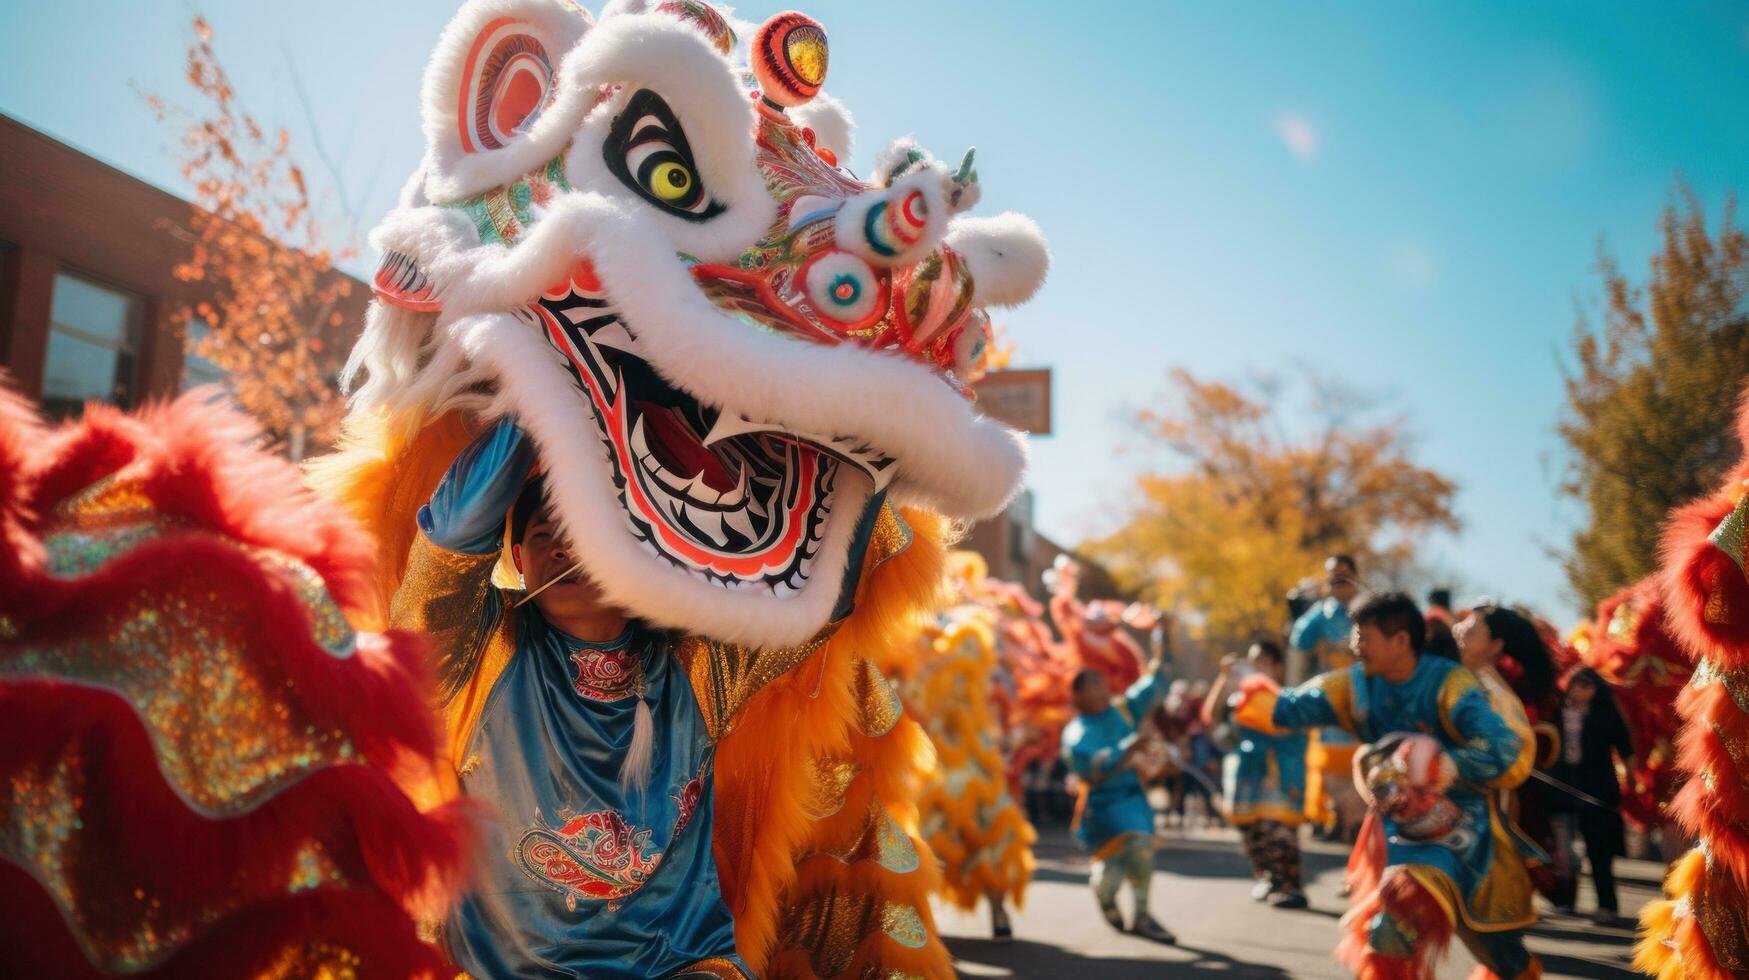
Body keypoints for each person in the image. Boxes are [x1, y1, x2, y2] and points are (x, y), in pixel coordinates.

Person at [392, 421, 832, 978]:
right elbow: (451, 537)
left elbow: (818, 594)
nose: (561, 547)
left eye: (584, 530)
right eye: (544, 533)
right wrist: (544, 394)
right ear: (520, 562)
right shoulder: (476, 652)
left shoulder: (697, 662)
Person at [1237, 592, 1541, 979]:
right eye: (1355, 636)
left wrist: (1444, 764)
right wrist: (1248, 694)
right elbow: (1293, 706)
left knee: (1502, 957)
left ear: (1401, 641)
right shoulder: (1356, 686)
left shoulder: (1450, 683)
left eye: (1365, 637)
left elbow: (1505, 747)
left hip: (1469, 838)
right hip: (1402, 839)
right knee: (1388, 931)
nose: (1355, 646)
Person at [1061, 647, 1178, 945]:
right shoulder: (1076, 731)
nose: (1103, 688)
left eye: (1101, 682)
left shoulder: (1122, 709)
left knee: (1140, 845)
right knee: (1109, 873)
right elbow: (1088, 763)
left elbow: (1154, 683)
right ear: (1080, 695)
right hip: (1102, 807)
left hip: (1133, 799)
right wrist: (1127, 748)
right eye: (1095, 684)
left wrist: (1163, 636)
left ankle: (1142, 914)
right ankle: (1105, 895)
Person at [1204, 640, 1309, 908]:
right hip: (1246, 771)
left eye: (1262, 661)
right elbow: (1212, 716)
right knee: (1251, 831)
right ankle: (1266, 878)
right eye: (1253, 661)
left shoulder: (1286, 696)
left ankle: (1290, 885)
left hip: (1276, 770)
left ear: (1277, 666)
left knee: (1277, 829)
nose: (1255, 667)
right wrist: (1224, 678)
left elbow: (1294, 733)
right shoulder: (1241, 696)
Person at [1549, 667, 1635, 923]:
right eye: (1575, 684)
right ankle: (1565, 898)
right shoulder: (1557, 711)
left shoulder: (1605, 714)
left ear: (1596, 690)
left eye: (1586, 686)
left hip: (1598, 789)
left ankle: (1606, 905)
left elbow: (1626, 748)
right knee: (1562, 849)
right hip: (1561, 787)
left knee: (1599, 851)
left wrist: (1631, 779)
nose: (1579, 690)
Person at [1290, 555, 1366, 841]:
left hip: (1368, 693)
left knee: (1363, 756)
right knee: (1331, 762)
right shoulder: (1321, 614)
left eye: (1343, 573)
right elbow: (1299, 644)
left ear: (1355, 575)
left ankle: (1358, 819)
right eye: (1332, 574)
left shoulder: (1367, 609)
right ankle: (1339, 817)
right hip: (1332, 697)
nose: (1337, 579)